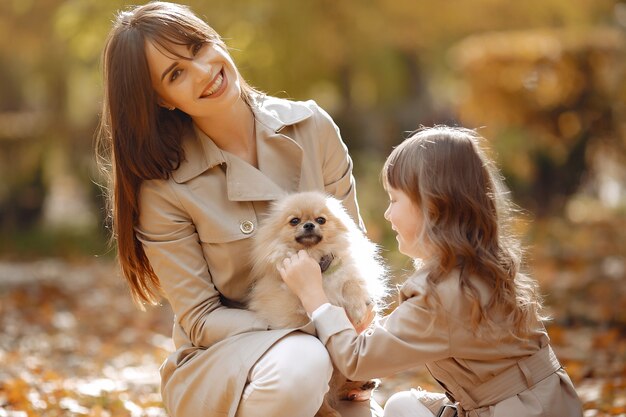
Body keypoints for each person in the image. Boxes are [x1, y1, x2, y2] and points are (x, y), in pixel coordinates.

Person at [95, 2, 381, 416]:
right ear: (160, 99)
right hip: (233, 365)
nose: (203, 71)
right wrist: (309, 326)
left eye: (198, 47)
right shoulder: (164, 189)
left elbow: (354, 260)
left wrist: (356, 339)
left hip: (336, 352)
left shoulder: (313, 127)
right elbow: (201, 318)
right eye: (175, 74)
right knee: (302, 362)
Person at [278, 126, 583, 417]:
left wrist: (314, 296)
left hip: (517, 409)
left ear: (432, 206)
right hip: (545, 403)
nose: (387, 214)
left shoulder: (441, 295)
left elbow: (359, 360)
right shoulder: (483, 265)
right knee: (402, 405)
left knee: (401, 408)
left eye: (394, 200)